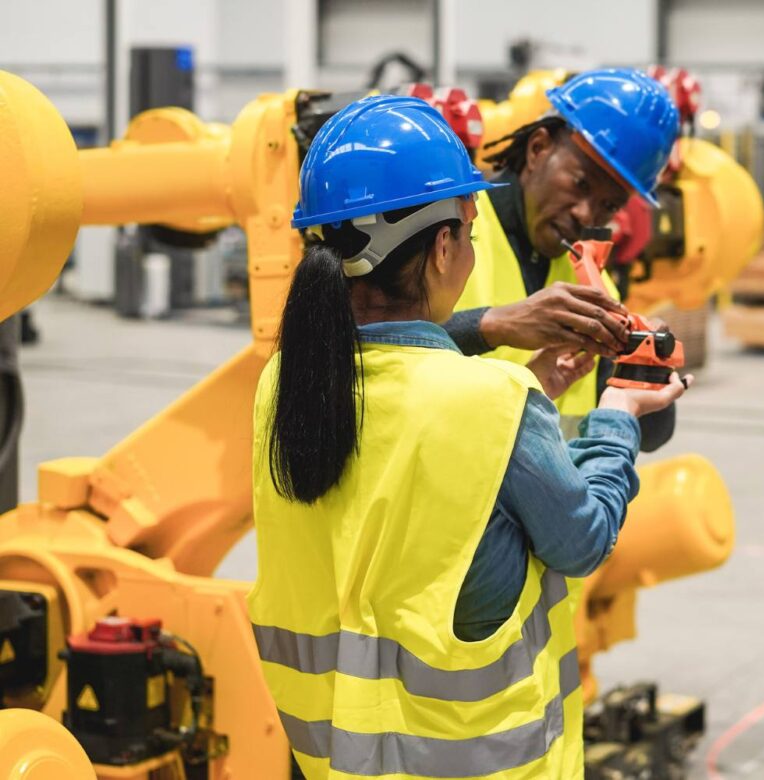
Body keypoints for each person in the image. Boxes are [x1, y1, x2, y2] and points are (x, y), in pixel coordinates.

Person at [247, 95, 691, 779]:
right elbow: (583, 540)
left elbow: (391, 391)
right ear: (446, 245)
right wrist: (619, 416)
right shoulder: (493, 399)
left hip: (334, 755)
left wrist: (493, 333)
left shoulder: (286, 382)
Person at [444, 68, 681, 442]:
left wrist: (647, 366)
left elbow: (652, 434)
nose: (586, 215)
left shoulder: (592, 287)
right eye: (580, 183)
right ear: (538, 148)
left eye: (608, 205)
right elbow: (368, 349)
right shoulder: (448, 232)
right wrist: (493, 325)